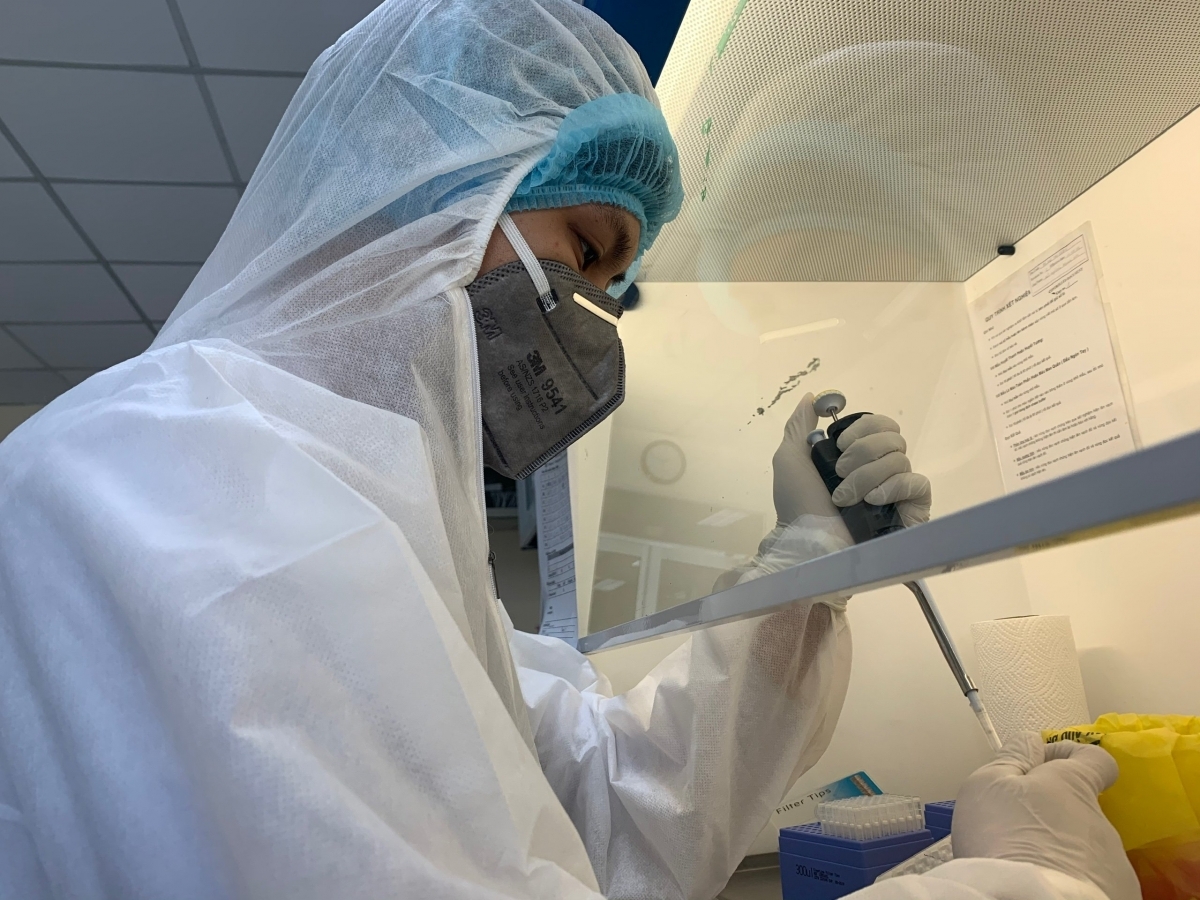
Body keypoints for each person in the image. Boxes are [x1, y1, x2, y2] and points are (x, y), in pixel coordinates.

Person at [0, 2, 1121, 899]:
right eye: (585, 250)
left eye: (609, 285)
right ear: (427, 185)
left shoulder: (381, 532)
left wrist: (800, 576)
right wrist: (1025, 881)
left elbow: (606, 806)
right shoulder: (172, 482)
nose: (591, 315)